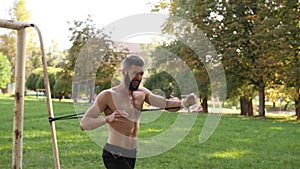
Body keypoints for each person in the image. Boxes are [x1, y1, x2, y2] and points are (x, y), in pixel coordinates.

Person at [80, 55, 197, 169]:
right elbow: (84, 124)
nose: (138, 77)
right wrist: (107, 118)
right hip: (114, 153)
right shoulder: (108, 95)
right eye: (135, 73)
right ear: (124, 72)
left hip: (131, 153)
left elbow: (165, 104)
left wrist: (184, 103)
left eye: (141, 73)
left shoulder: (142, 93)